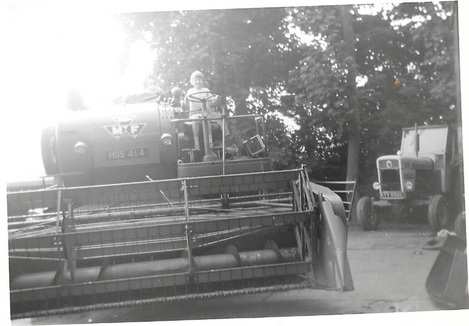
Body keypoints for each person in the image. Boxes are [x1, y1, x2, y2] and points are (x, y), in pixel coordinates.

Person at [184, 70, 220, 151]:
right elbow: (186, 100)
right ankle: (196, 143)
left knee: (207, 119)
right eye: (196, 80)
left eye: (200, 80)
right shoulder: (190, 91)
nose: (198, 82)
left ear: (202, 81)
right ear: (192, 82)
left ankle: (210, 141)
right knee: (195, 121)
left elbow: (212, 99)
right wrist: (186, 99)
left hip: (205, 112)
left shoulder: (206, 90)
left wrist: (216, 99)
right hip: (194, 113)